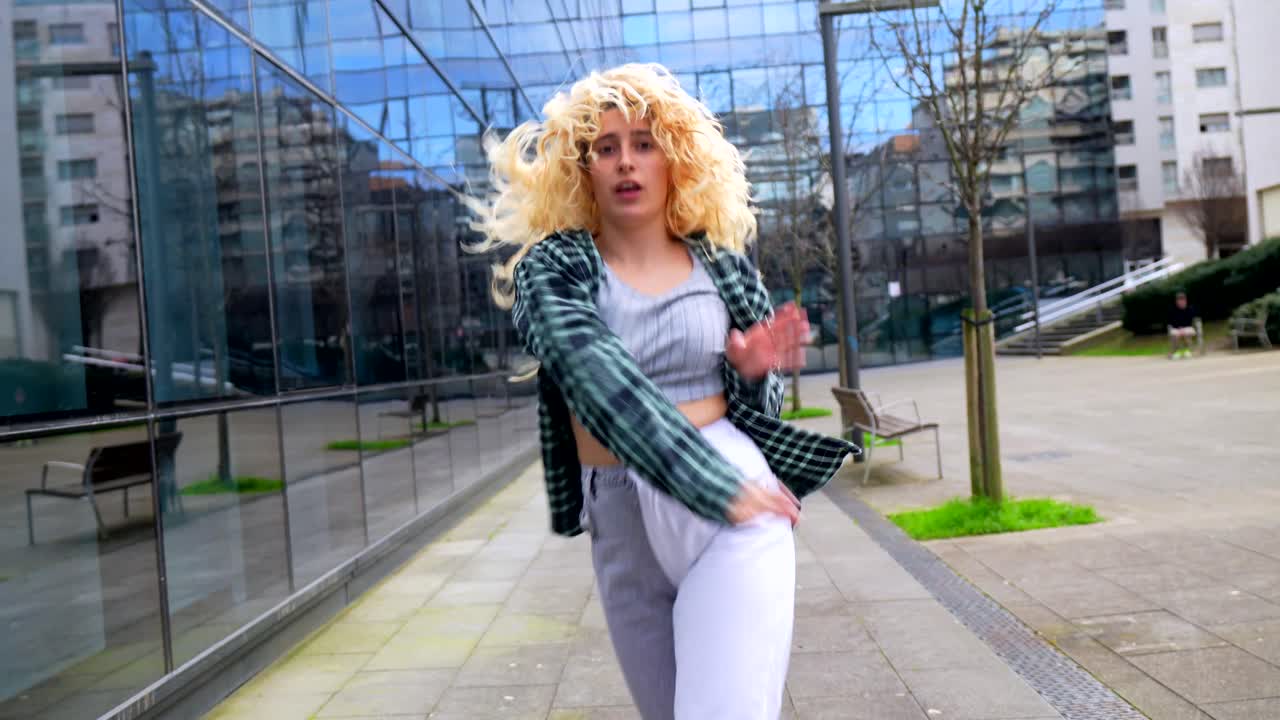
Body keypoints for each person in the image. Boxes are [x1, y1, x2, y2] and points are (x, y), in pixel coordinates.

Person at [467, 64, 857, 719]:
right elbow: (594, 376)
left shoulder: (722, 267)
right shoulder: (553, 269)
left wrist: (751, 372)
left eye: (645, 143)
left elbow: (754, 416)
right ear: (581, 167)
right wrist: (709, 480)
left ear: (675, 158)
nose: (626, 162)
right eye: (606, 147)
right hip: (621, 507)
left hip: (726, 496)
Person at [1167, 291, 1199, 359]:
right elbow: (1171, 321)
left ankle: (1187, 351)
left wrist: (1183, 329)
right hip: (1176, 328)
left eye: (1182, 300)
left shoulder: (1190, 309)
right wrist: (1179, 328)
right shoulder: (1172, 309)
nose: (1181, 302)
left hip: (1188, 327)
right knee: (1175, 334)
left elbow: (1190, 321)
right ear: (1176, 301)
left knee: (1186, 333)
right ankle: (1177, 352)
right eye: (1179, 300)